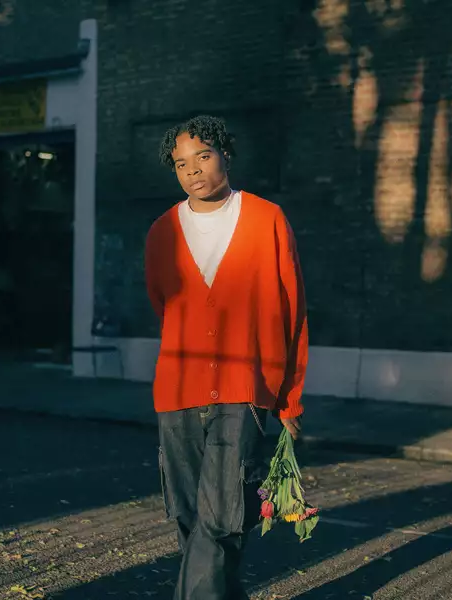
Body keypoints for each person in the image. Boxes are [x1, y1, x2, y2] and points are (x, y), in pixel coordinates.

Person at [144, 115, 309, 599]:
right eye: (180, 164)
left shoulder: (267, 219)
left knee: (221, 520)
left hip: (243, 392)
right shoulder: (161, 233)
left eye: (203, 156)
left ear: (225, 155)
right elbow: (163, 304)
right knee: (191, 521)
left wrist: (290, 398)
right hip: (177, 392)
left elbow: (292, 311)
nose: (193, 170)